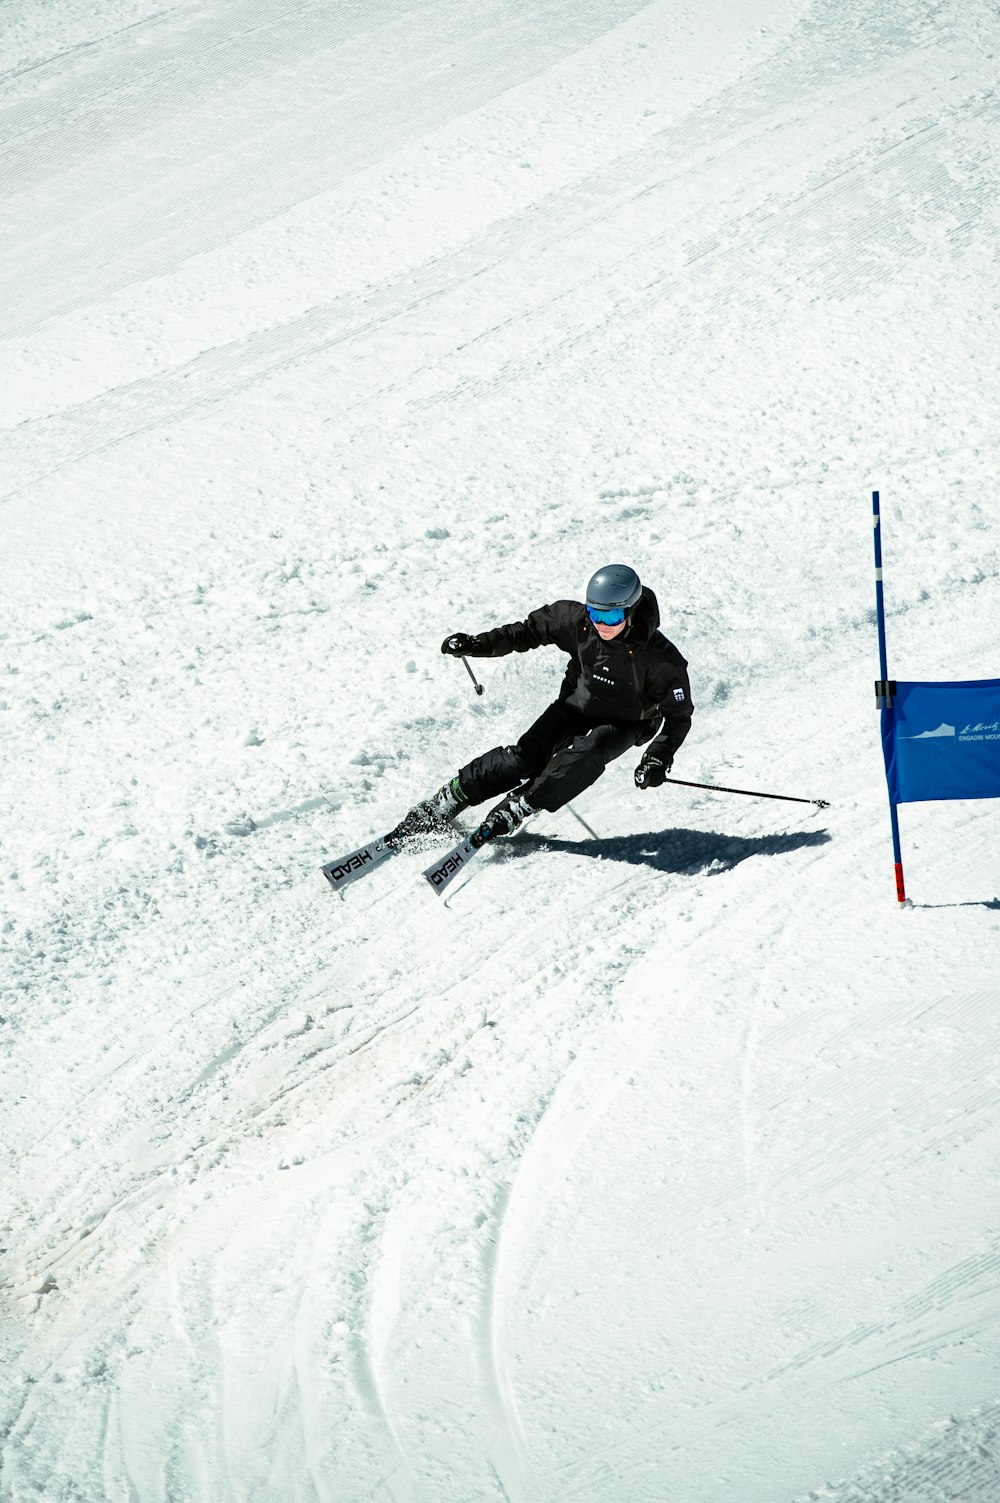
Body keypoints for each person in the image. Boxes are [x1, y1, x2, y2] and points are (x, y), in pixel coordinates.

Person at [387, 563, 693, 849]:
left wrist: (658, 757)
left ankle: (524, 803)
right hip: (578, 703)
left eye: (611, 618)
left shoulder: (663, 661)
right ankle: (453, 795)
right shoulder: (578, 622)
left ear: (631, 611)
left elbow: (678, 718)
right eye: (596, 614)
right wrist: (477, 645)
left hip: (628, 721)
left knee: (588, 753)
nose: (602, 625)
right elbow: (526, 632)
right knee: (523, 759)